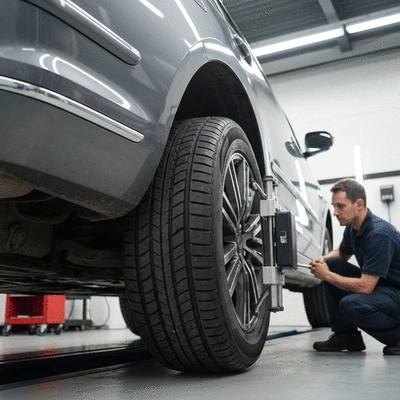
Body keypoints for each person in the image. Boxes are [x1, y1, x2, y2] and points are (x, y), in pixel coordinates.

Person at [310, 178, 400, 355]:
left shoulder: (379, 234)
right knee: (333, 264)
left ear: (359, 204)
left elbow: (366, 287)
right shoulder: (353, 228)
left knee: (351, 304)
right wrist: (322, 260)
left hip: (395, 292)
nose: (335, 212)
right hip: (383, 288)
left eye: (340, 206)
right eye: (334, 206)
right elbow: (342, 253)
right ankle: (347, 336)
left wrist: (326, 275)